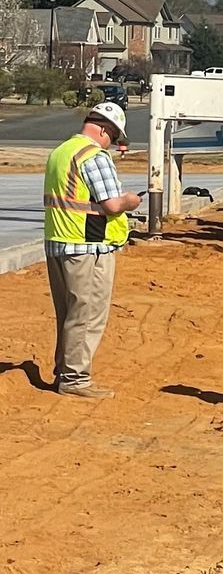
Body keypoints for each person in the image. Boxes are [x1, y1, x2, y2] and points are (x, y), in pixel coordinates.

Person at [43, 101, 143, 399]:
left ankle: (64, 371)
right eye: (114, 137)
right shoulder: (94, 156)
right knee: (87, 314)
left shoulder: (61, 152)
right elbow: (112, 204)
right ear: (104, 130)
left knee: (68, 312)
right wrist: (130, 201)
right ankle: (75, 379)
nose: (112, 144)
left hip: (58, 241)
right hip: (87, 246)